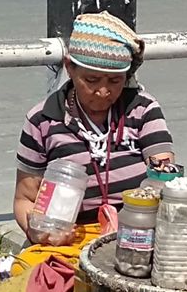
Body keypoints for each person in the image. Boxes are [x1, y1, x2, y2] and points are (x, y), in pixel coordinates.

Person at [14, 12, 177, 248]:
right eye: (91, 80)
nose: (103, 91)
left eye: (114, 81)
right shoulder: (42, 120)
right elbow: (25, 199)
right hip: (69, 238)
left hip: (136, 232)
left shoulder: (142, 109)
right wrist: (39, 232)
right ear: (70, 68)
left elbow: (162, 174)